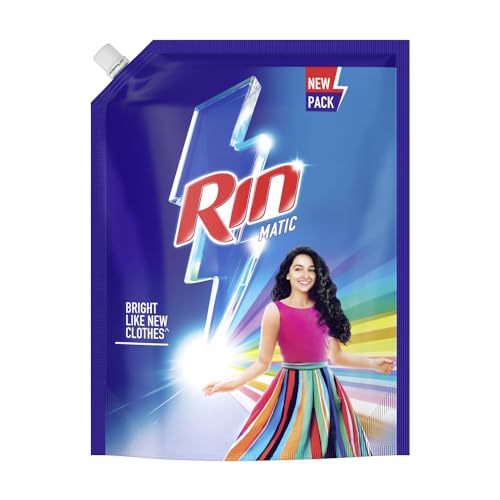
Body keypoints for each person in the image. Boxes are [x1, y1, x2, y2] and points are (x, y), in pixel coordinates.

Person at [203, 246, 395, 460]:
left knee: (332, 449)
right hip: (290, 390)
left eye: (311, 270)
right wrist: (231, 384)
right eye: (298, 269)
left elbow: (336, 357)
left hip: (325, 391)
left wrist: (373, 363)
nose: (305, 275)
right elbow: (262, 363)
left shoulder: (326, 309)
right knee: (280, 448)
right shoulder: (274, 311)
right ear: (287, 274)